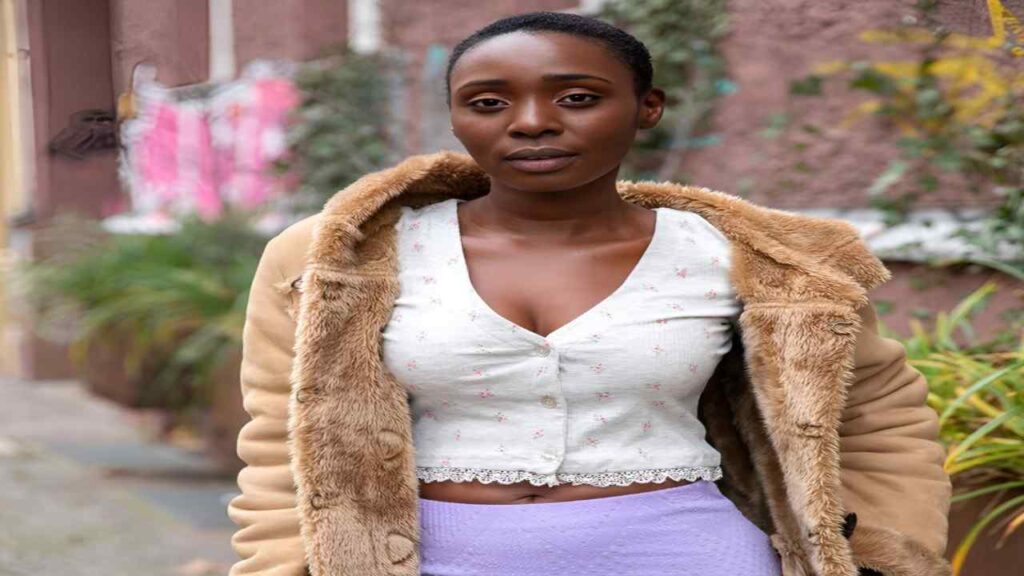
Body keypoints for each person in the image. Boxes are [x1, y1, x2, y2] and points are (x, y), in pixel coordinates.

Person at [226, 11, 952, 576]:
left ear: (647, 107)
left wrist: (885, 552)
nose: (532, 121)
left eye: (577, 97)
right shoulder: (337, 260)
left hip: (687, 554)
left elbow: (876, 416)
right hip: (430, 556)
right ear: (455, 117)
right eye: (487, 101)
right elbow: (277, 443)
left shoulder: (757, 261)